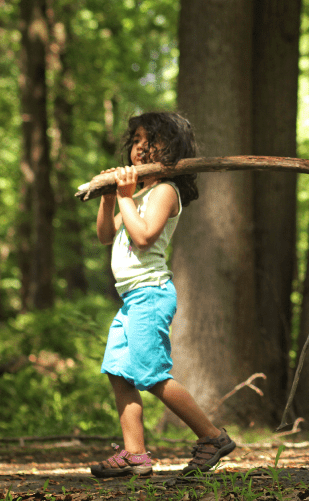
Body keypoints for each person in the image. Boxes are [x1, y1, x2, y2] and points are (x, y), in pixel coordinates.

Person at [91, 112, 235, 478]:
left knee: (150, 373)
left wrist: (124, 195)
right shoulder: (137, 193)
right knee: (118, 372)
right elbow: (107, 234)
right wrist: (111, 197)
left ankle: (212, 436)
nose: (139, 148)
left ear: (170, 150)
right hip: (132, 299)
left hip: (150, 295)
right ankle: (135, 454)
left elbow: (143, 236)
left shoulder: (164, 192)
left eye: (149, 141)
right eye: (136, 141)